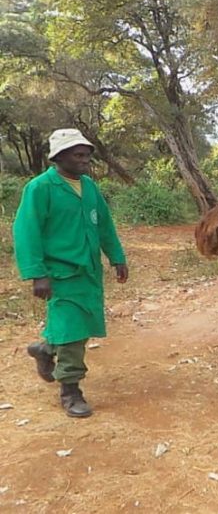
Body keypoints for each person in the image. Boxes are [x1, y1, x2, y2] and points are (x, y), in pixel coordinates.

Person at [13, 128, 128, 418]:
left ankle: (45, 348)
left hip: (88, 274)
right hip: (59, 275)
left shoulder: (90, 187)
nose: (85, 159)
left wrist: (117, 257)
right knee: (73, 332)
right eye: (78, 154)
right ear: (58, 156)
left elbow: (104, 226)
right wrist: (37, 273)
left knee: (78, 327)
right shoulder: (40, 188)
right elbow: (26, 231)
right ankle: (70, 391)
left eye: (87, 154)